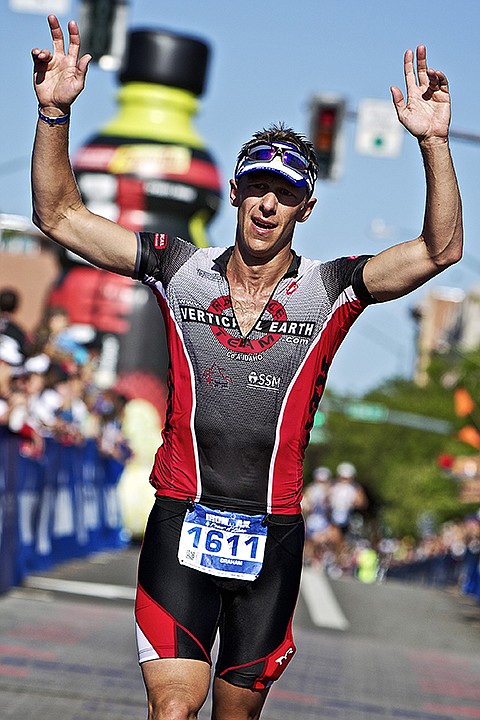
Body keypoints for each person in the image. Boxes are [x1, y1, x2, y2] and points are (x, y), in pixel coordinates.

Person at [31, 15, 463, 720]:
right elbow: (59, 216)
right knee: (174, 710)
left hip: (273, 534)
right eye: (258, 185)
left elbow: (440, 251)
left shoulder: (332, 288)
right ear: (234, 191)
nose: (269, 202)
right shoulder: (178, 266)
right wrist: (55, 111)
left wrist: (435, 143)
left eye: (286, 192)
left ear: (306, 208)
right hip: (180, 521)